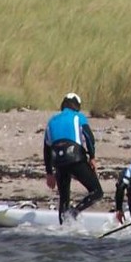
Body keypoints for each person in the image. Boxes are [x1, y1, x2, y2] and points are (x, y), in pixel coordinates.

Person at [43, 92, 102, 223]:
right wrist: (92, 157)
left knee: (64, 199)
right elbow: (89, 138)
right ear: (77, 105)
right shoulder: (78, 117)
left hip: (58, 161)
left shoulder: (51, 121)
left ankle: (64, 227)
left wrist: (49, 173)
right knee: (97, 192)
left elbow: (46, 148)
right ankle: (75, 212)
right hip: (75, 158)